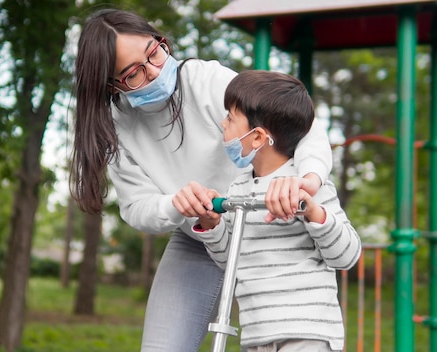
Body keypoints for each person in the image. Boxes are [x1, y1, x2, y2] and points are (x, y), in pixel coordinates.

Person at [69, 8, 333, 351]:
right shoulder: (116, 127)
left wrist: (308, 181)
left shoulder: (206, 80)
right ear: (111, 85)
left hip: (272, 229)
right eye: (134, 72)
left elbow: (305, 126)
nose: (155, 70)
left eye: (154, 51)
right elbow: (136, 206)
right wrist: (175, 204)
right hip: (201, 238)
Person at [188, 70, 362, 351]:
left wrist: (312, 211)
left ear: (257, 138)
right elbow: (230, 261)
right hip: (257, 335)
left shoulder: (305, 185)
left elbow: (347, 255)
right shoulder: (238, 189)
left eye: (231, 118)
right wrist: (211, 224)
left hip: (307, 332)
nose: (223, 123)